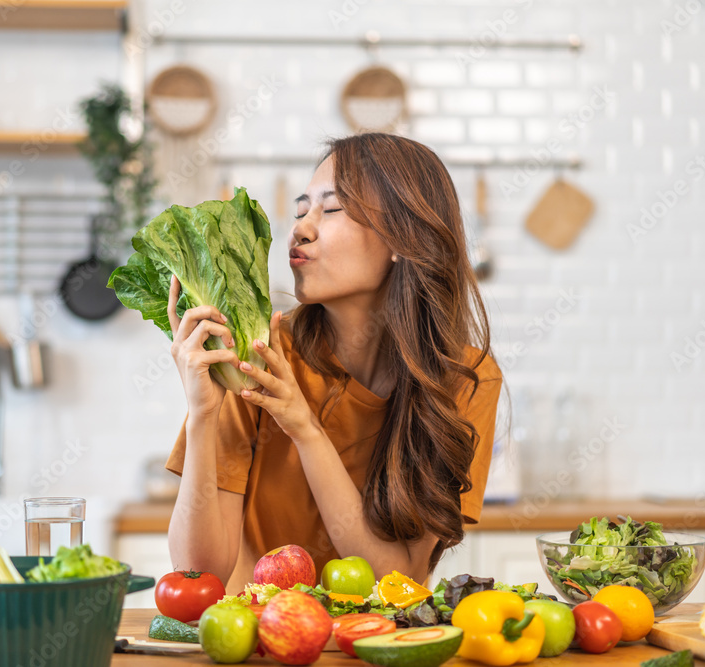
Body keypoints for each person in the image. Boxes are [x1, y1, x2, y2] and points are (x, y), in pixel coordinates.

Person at [165, 133, 502, 594]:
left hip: (377, 648)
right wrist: (203, 416)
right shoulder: (255, 356)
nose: (301, 228)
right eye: (302, 209)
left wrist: (304, 429)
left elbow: (397, 581)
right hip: (257, 648)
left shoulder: (464, 378)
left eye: (334, 209)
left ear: (404, 238)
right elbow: (198, 574)